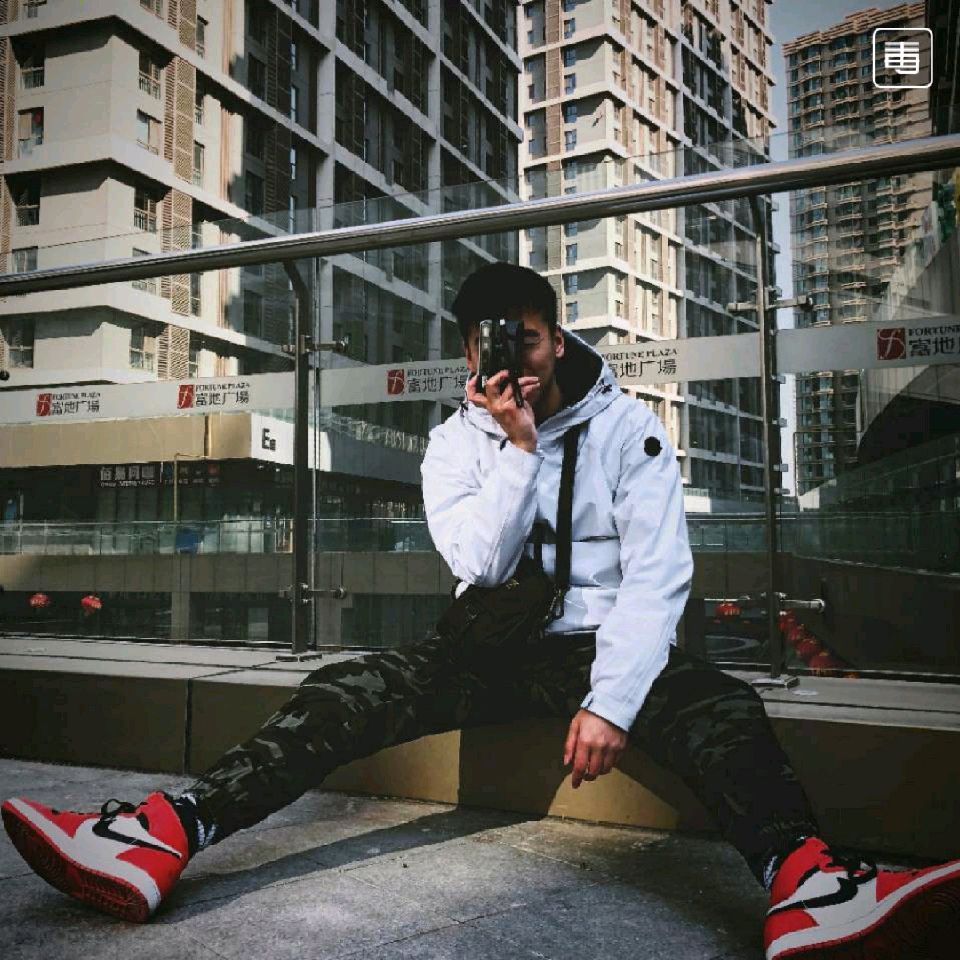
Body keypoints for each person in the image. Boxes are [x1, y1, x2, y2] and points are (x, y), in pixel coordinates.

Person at [2, 263, 957, 959]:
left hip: (597, 647)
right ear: (467, 353)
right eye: (490, 346)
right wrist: (519, 449)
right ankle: (164, 833)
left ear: (557, 337)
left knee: (720, 707)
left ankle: (808, 885)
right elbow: (479, 563)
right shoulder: (456, 445)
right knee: (346, 689)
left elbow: (658, 578)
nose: (513, 362)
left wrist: (613, 701)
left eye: (527, 341)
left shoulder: (630, 430)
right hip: (487, 644)